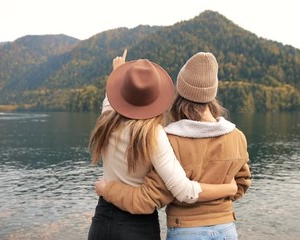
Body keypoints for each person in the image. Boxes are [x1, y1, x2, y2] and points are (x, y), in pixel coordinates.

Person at [95, 52, 252, 240]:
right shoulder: (237, 137)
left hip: (183, 229)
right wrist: (228, 191)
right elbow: (242, 181)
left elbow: (153, 196)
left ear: (180, 92)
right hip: (226, 229)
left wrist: (119, 72)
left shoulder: (169, 138)